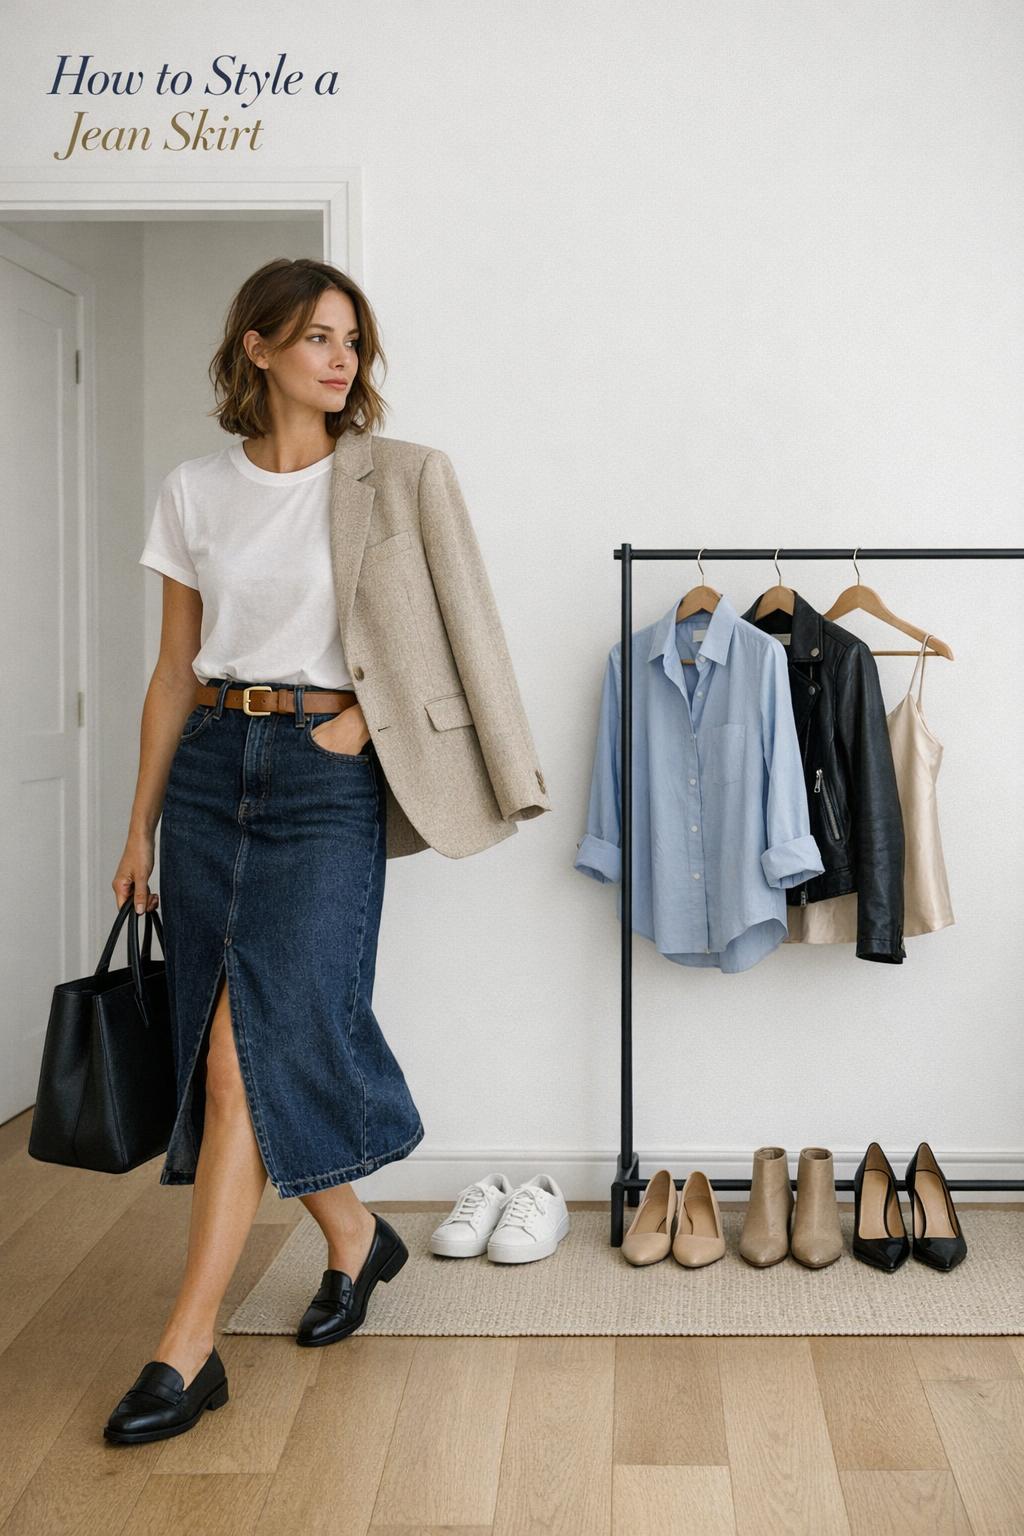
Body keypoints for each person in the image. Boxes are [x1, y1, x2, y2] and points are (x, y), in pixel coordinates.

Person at [103, 257, 550, 1445]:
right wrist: (138, 822)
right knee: (223, 1053)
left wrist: (365, 719)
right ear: (256, 349)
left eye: (352, 337)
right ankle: (356, 1234)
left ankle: (185, 1349)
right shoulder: (195, 491)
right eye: (314, 336)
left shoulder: (402, 477)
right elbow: (170, 671)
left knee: (266, 1048)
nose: (341, 357)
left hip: (324, 780)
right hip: (207, 774)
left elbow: (468, 634)